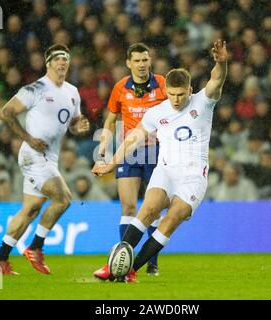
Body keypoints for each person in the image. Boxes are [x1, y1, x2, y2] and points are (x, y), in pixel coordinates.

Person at [92, 39, 228, 282]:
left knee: (170, 220)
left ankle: (130, 270)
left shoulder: (204, 102)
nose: (176, 100)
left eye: (180, 95)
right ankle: (113, 265)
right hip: (165, 171)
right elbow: (133, 138)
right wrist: (112, 163)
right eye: (172, 95)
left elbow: (216, 79)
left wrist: (222, 62)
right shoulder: (157, 112)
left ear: (189, 90)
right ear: (167, 92)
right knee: (148, 210)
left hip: (193, 177)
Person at [0, 44, 90, 275]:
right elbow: (6, 112)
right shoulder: (36, 88)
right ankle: (35, 247)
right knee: (63, 199)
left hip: (50, 157)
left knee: (31, 209)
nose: (62, 62)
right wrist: (28, 138)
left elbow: (73, 124)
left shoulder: (73, 92)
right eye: (57, 59)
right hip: (33, 154)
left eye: (65, 58)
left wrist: (79, 126)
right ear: (48, 63)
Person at [93, 43, 167, 279]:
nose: (142, 65)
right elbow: (110, 120)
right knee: (128, 206)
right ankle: (124, 262)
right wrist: (103, 145)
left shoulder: (163, 85)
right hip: (130, 152)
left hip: (157, 150)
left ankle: (152, 262)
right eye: (137, 61)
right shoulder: (120, 88)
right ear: (128, 63)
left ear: (150, 60)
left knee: (153, 209)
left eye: (145, 60)